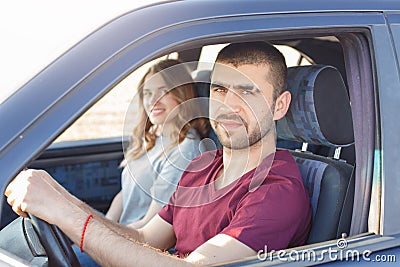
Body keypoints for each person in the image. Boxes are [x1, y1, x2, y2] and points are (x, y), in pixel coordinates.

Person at [5, 42, 312, 266]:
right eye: (220, 90)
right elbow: (144, 240)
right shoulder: (201, 166)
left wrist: (66, 215)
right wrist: (60, 198)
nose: (228, 104)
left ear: (279, 106)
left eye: (247, 92)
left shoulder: (276, 191)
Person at [75, 59, 210, 265]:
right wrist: (100, 227)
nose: (152, 100)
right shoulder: (152, 138)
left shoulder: (185, 150)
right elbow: (124, 194)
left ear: (182, 95)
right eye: (147, 93)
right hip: (122, 234)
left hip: (139, 248)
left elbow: (150, 228)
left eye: (163, 91)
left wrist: (98, 236)